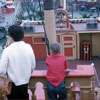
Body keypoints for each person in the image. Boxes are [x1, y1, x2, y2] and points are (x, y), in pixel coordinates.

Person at [0, 25, 36, 100]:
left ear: (10, 36)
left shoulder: (7, 50)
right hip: (25, 83)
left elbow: (2, 70)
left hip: (13, 85)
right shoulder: (28, 47)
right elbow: (33, 66)